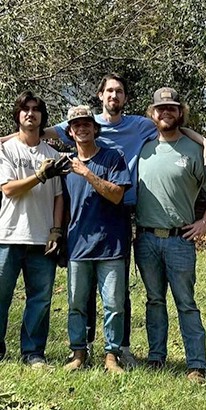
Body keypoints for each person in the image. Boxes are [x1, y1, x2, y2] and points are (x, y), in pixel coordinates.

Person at [0, 75, 206, 366]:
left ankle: (118, 350)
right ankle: (80, 350)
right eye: (109, 90)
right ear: (100, 95)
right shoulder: (78, 131)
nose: (114, 95)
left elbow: (174, 126)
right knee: (84, 298)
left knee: (118, 294)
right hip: (86, 228)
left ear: (124, 97)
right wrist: (2, 139)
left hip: (125, 215)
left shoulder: (141, 125)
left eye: (120, 91)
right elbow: (35, 130)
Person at [135, 87, 206, 383]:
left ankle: (196, 365)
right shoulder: (143, 146)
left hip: (180, 240)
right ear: (153, 113)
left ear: (180, 112)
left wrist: (205, 222)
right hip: (146, 239)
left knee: (185, 302)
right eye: (161, 108)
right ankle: (156, 357)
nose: (166, 113)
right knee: (153, 300)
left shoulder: (194, 151)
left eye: (172, 108)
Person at [0, 92, 69, 364]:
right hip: (8, 235)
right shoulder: (5, 150)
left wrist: (56, 230)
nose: (31, 113)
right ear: (17, 116)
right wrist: (39, 175)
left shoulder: (52, 154)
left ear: (42, 117)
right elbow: (9, 189)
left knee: (39, 301)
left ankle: (33, 353)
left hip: (42, 239)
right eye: (25, 109)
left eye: (36, 110)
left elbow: (58, 197)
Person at [61, 105, 132, 374]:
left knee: (113, 304)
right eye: (76, 124)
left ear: (95, 128)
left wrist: (87, 172)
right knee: (77, 304)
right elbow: (60, 203)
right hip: (77, 244)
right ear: (69, 131)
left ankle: (111, 355)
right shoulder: (64, 165)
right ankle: (78, 353)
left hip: (111, 245)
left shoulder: (113, 157)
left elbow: (116, 195)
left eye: (86, 123)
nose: (82, 128)